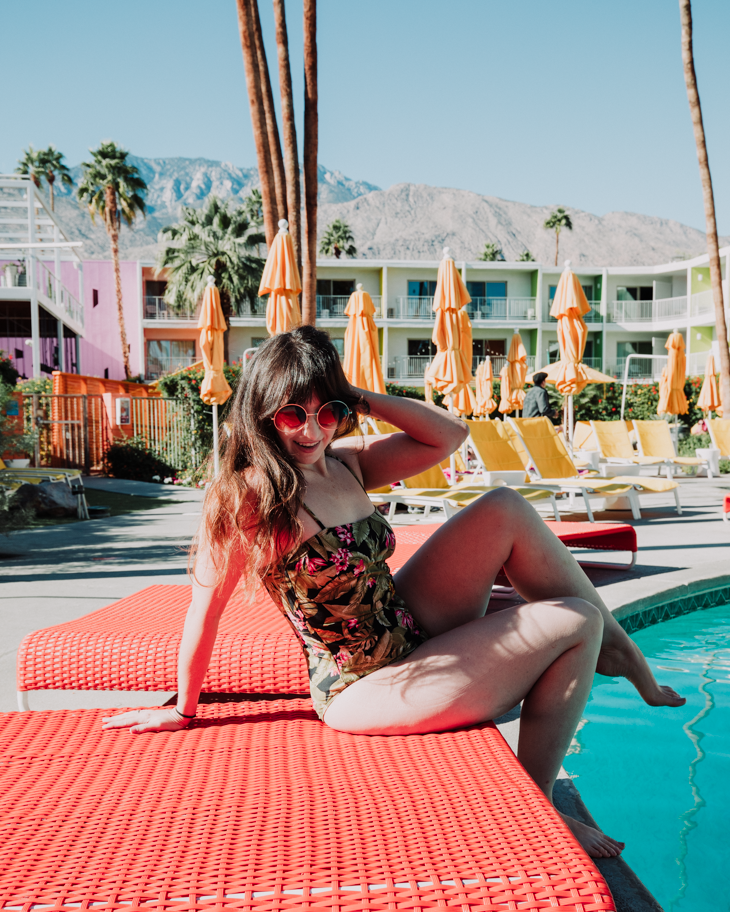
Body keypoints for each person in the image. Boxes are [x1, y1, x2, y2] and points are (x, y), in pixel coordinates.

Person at [103, 326, 684, 858]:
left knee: (504, 507)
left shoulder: (345, 466)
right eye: (291, 416)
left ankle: (621, 651)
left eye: (326, 412)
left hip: (408, 625)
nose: (312, 431)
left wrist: (352, 393)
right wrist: (182, 709)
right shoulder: (253, 497)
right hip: (363, 684)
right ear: (261, 413)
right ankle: (540, 806)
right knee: (573, 619)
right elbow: (203, 612)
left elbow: (449, 436)